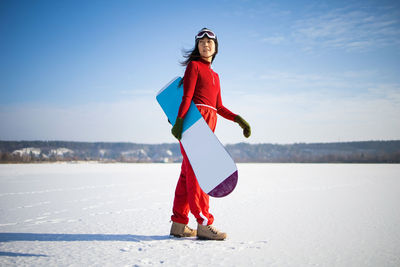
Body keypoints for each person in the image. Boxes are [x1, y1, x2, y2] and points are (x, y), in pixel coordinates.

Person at [169, 28, 251, 240]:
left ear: (216, 48)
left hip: (208, 124)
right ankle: (204, 223)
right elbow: (187, 97)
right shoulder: (194, 66)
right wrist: (179, 123)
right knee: (199, 174)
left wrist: (238, 119)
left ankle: (179, 224)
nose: (206, 45)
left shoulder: (215, 76)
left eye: (210, 42)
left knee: (188, 173)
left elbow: (219, 107)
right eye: (202, 42)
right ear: (197, 46)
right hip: (193, 123)